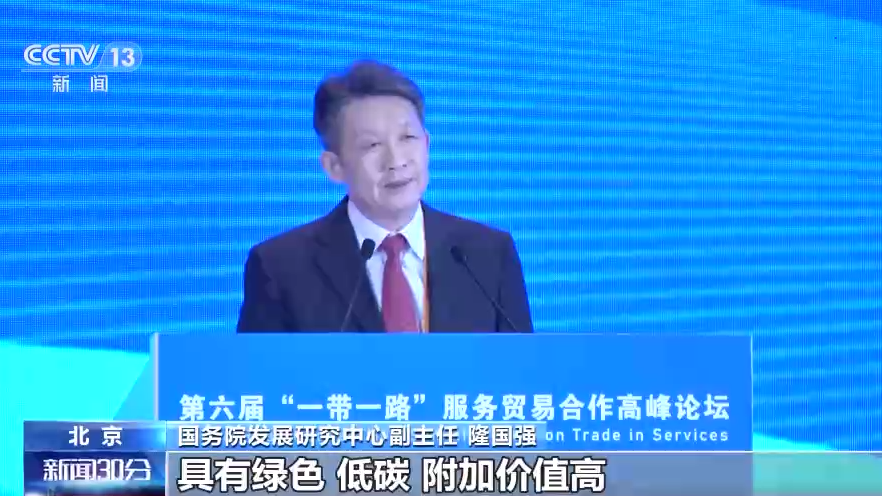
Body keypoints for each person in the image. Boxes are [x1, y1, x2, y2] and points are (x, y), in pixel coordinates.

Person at [236, 60, 533, 333]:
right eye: (372, 145)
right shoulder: (280, 268)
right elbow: (260, 373)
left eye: (408, 138)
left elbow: (525, 369)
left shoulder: (488, 256)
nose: (396, 161)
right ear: (334, 166)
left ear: (427, 144)